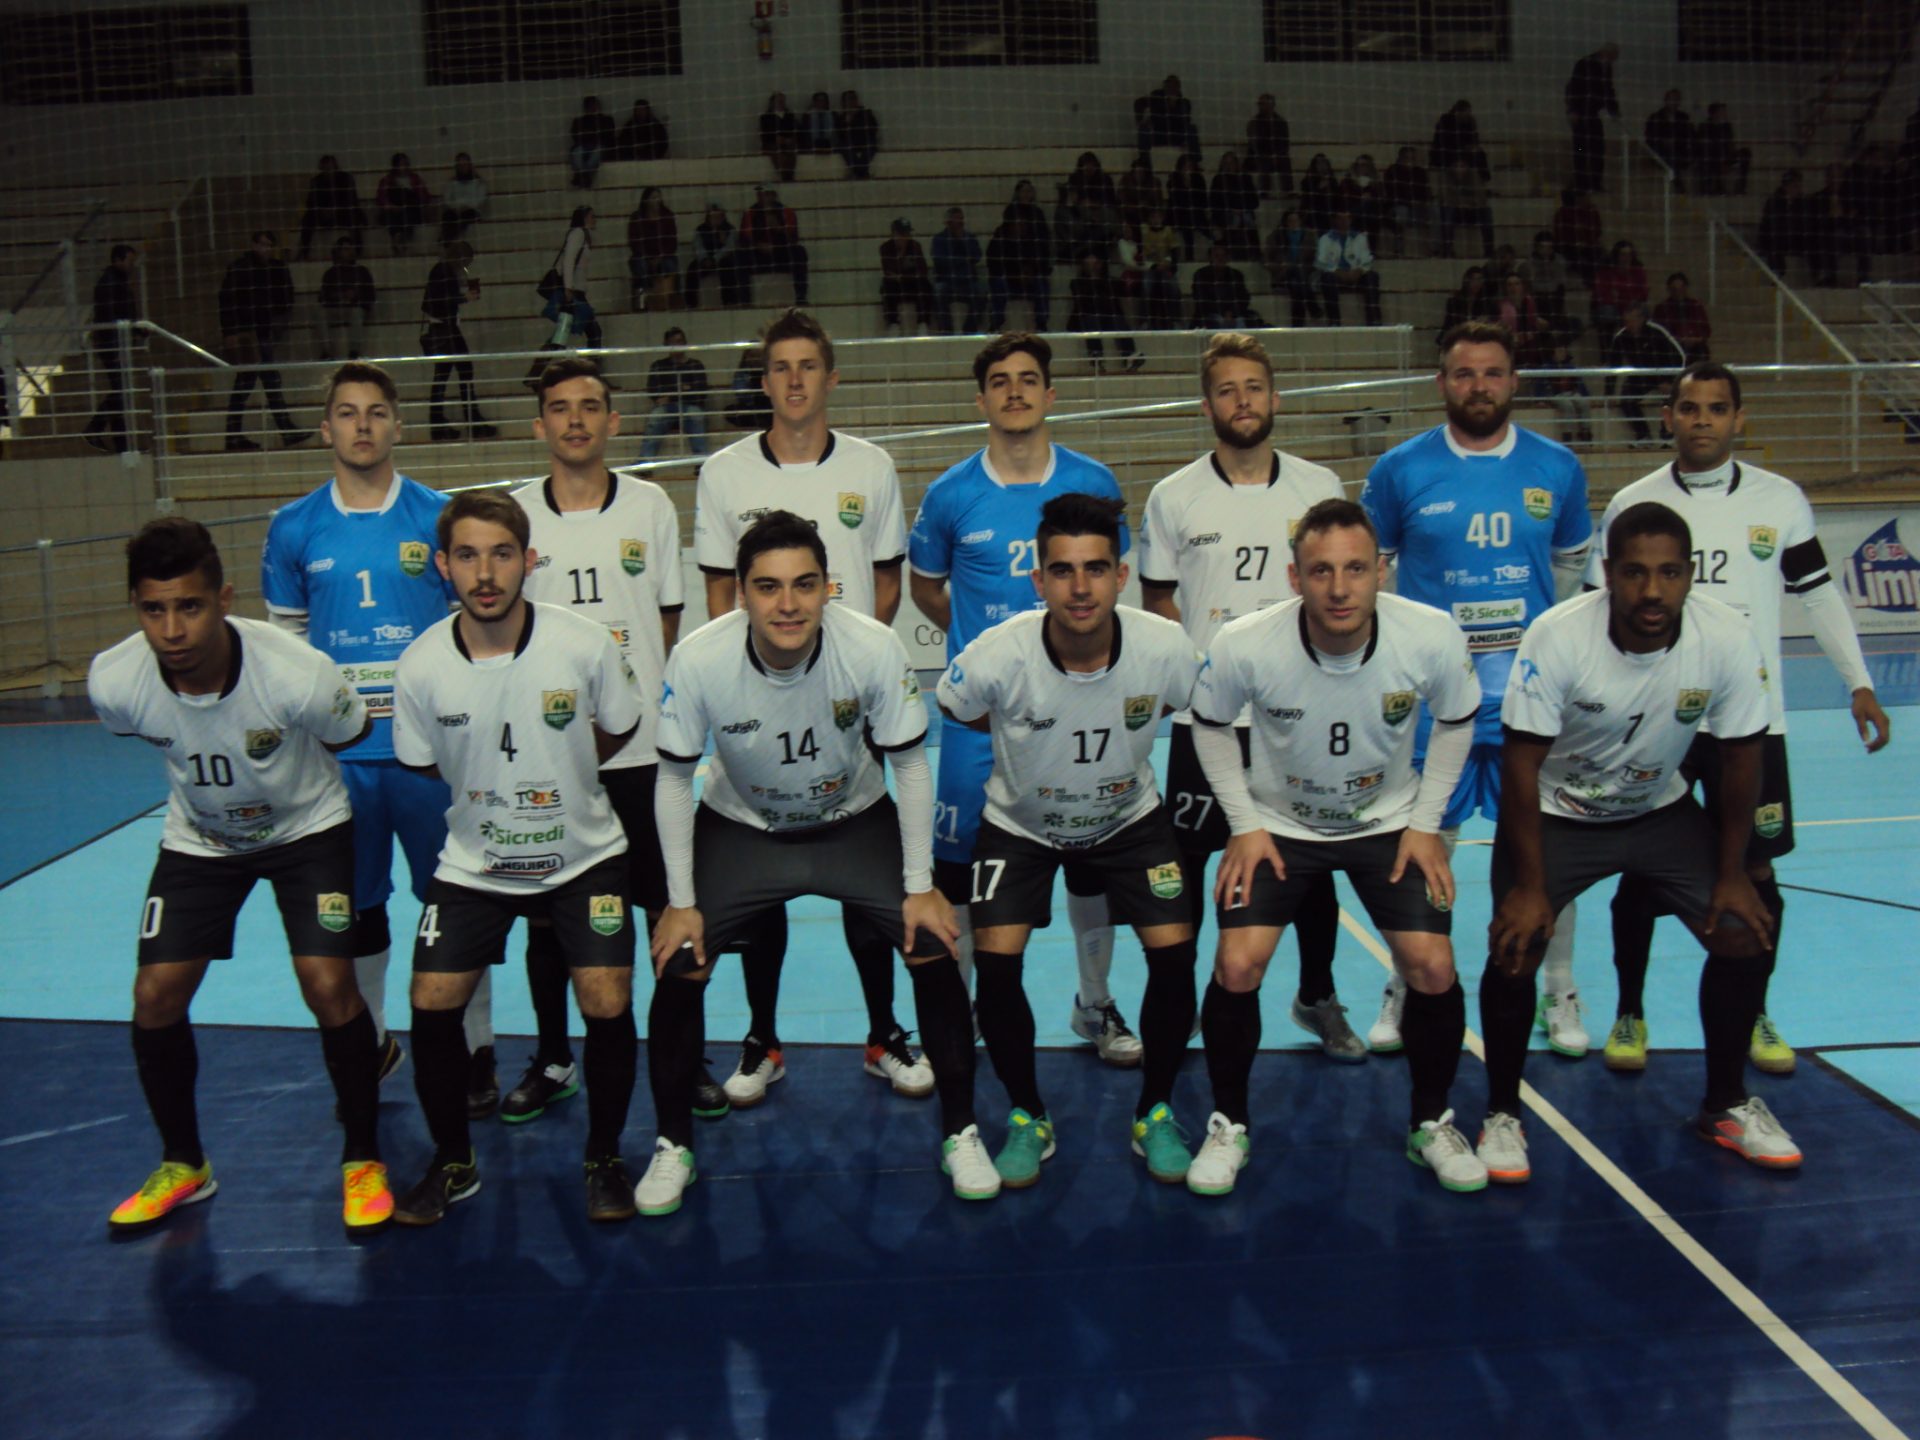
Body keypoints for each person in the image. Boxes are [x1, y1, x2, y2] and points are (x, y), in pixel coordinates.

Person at [646, 512, 978, 1209]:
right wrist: (680, 902)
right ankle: (672, 1144)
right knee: (679, 960)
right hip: (742, 827)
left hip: (851, 821)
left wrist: (920, 886)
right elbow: (674, 780)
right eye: (767, 587)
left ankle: (961, 1132)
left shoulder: (872, 647)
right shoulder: (700, 658)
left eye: (804, 584)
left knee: (933, 942)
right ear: (740, 593)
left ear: (830, 587)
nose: (788, 604)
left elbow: (910, 764)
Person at [1590, 364, 1891, 1075]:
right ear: (1667, 416)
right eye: (1689, 407)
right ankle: (1629, 1012)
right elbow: (1599, 608)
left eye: (1717, 408)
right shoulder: (1634, 504)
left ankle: (1753, 1007)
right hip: (1659, 723)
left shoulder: (1780, 501)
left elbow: (1818, 596)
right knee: (1640, 866)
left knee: (1756, 869)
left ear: (1738, 419)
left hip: (1752, 723)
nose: (1703, 419)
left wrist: (1859, 682)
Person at [92, 517, 385, 1234]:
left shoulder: (297, 674)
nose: (172, 630)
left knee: (328, 985)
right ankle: (184, 1164)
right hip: (201, 839)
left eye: (189, 607)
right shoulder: (115, 682)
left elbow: (351, 734)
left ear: (223, 599)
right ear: (135, 607)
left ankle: (363, 1158)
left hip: (307, 830)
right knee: (155, 995)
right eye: (153, 609)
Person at [1487, 500, 1791, 1178]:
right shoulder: (1558, 636)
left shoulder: (1725, 636)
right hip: (1558, 812)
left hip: (1658, 811)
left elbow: (1743, 757)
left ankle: (1725, 1104)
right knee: (1514, 944)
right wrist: (1530, 888)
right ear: (1608, 572)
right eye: (1634, 573)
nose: (1652, 590)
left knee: (1743, 931)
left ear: (1690, 575)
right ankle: (1502, 1114)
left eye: (1669, 573)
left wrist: (1733, 872)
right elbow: (1520, 764)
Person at [1188, 498, 1482, 1194]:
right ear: (1295, 577)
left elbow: (1457, 719)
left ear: (1382, 571)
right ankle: (1228, 1124)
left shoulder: (1429, 635)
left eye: (1356, 568)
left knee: (1431, 966)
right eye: (1321, 571)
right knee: (1237, 965)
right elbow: (1208, 724)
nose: (1340, 588)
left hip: (1388, 823)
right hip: (1280, 826)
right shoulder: (1246, 643)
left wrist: (1426, 823)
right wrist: (1244, 824)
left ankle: (1431, 1121)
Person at [389, 489, 645, 1224]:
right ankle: (453, 1161)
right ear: (443, 566)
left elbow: (619, 727)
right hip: (474, 863)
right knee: (430, 1003)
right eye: (467, 556)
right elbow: (424, 761)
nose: (485, 573)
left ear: (529, 560)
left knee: (607, 999)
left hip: (584, 856)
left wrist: (563, 775)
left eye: (501, 554)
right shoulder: (420, 665)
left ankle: (604, 1158)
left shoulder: (584, 643)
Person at [693, 309, 926, 1107]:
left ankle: (884, 1031)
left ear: (832, 377)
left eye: (808, 365)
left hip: (847, 705)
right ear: (763, 381)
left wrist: (846, 671)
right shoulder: (724, 473)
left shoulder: (872, 466)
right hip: (758, 700)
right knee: (762, 872)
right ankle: (762, 1037)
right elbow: (720, 592)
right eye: (780, 367)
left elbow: (887, 581)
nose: (794, 380)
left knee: (865, 870)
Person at [936, 493, 1203, 1186]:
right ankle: (1028, 1114)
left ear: (1122, 574)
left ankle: (1155, 1110)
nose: (1080, 588)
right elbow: (958, 710)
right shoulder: (997, 655)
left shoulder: (1165, 647)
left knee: (1175, 957)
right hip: (1020, 823)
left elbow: (1186, 706)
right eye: (1062, 570)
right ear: (1038, 579)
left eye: (1095, 569)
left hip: (1129, 818)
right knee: (997, 968)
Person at [262, 362, 498, 1114]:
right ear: (325, 427)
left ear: (397, 424)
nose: (361, 425)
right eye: (347, 412)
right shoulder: (294, 526)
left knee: (456, 903)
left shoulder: (438, 518)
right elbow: (285, 651)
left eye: (374, 412)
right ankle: (370, 1046)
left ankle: (477, 1049)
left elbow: (472, 632)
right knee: (357, 911)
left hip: (429, 758)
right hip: (339, 764)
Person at [1359, 321, 1593, 1057]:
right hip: (1437, 705)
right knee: (1422, 848)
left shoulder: (1557, 466)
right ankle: (1404, 983)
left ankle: (1560, 988)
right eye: (1464, 374)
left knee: (1545, 858)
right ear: (1441, 383)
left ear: (1513, 381)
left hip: (1530, 702)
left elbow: (1569, 569)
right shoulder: (1399, 470)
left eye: (1492, 373)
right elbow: (1374, 575)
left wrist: (1533, 646)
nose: (1479, 386)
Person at [908, 333, 1138, 1067]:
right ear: (981, 399)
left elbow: (1111, 579)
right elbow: (926, 587)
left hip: (1079, 709)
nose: (1015, 391)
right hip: (980, 722)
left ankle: (1094, 1002)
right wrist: (982, 645)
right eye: (1001, 381)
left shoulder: (1092, 480)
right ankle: (964, 1015)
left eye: (1029, 379)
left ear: (1050, 394)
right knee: (959, 867)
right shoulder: (950, 494)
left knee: (1089, 857)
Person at [505, 357, 719, 1125]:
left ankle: (685, 1059)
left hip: (643, 758)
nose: (576, 420)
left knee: (670, 911)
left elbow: (666, 623)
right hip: (553, 761)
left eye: (590, 406)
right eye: (560, 407)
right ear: (540, 424)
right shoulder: (515, 514)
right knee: (546, 921)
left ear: (613, 421)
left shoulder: (651, 505)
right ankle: (553, 1056)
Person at [1139, 334, 1352, 1060]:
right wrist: (1202, 678)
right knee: (1192, 861)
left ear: (1275, 397)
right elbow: (1159, 602)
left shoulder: (1318, 486)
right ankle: (1191, 998)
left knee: (1312, 860)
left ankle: (1316, 994)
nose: (1242, 401)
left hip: (1301, 716)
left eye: (1254, 387)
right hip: (1211, 720)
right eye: (1227, 390)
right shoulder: (1173, 496)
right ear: (1207, 405)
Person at [218, 231, 306, 452]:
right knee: (258, 381)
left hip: (262, 332)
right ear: (253, 244)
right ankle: (283, 429)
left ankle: (237, 435)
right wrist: (231, 332)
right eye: (262, 244)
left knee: (254, 382)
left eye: (269, 245)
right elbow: (227, 301)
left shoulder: (273, 268)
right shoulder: (241, 268)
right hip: (248, 334)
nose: (265, 249)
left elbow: (285, 297)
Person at [422, 241, 496, 442]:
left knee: (445, 376)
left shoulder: (441, 269)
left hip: (442, 327)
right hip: (446, 329)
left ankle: (440, 423)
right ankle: (471, 421)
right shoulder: (443, 270)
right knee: (462, 372)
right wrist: (465, 297)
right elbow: (443, 299)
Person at [82, 243, 140, 452]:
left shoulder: (113, 281)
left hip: (114, 342)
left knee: (120, 392)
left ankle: (119, 441)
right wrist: (132, 329)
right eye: (129, 261)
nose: (132, 265)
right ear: (118, 260)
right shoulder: (111, 282)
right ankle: (98, 429)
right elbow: (113, 314)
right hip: (113, 344)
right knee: (121, 391)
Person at [1607, 304, 1687, 445]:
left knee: (1671, 396)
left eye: (1632, 320)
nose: (1629, 324)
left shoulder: (1657, 332)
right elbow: (1613, 366)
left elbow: (1679, 356)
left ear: (1641, 319)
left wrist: (1667, 379)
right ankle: (1643, 436)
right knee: (1626, 399)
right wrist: (1609, 393)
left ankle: (1667, 435)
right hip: (1640, 376)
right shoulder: (1621, 337)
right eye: (1626, 321)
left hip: (1664, 373)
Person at [539, 207, 603, 351]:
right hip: (573, 292)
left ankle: (544, 360)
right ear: (584, 218)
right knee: (593, 331)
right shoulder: (578, 234)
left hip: (576, 291)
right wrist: (568, 287)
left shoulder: (584, 235)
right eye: (592, 216)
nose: (595, 220)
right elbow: (568, 260)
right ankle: (592, 363)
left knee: (562, 333)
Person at [641, 328, 710, 459]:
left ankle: (701, 461)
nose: (677, 345)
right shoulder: (658, 366)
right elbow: (653, 390)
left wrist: (670, 395)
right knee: (655, 417)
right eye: (672, 342)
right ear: (666, 344)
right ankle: (645, 461)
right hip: (667, 408)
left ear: (685, 343)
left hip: (689, 407)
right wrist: (683, 389)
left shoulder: (695, 365)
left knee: (696, 416)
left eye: (679, 341)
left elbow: (701, 393)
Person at [1068, 250, 1138, 373]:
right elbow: (1084, 302)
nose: (1093, 265)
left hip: (1108, 317)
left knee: (1118, 320)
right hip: (1088, 318)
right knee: (1092, 320)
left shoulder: (1111, 282)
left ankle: (1130, 357)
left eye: (1095, 262)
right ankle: (1096, 358)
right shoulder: (1077, 283)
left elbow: (1120, 295)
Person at [738, 187, 810, 306]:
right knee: (740, 256)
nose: (764, 198)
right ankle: (745, 301)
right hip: (759, 254)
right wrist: (758, 245)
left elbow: (793, 238)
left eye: (767, 194)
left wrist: (779, 229)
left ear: (774, 196)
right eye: (761, 194)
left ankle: (801, 296)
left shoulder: (787, 212)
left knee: (799, 252)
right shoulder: (750, 213)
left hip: (781, 253)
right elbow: (743, 240)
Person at [1566, 43, 1620, 195]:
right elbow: (1574, 87)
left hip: (1593, 113)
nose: (1612, 60)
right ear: (1605, 53)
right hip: (1580, 113)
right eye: (1612, 57)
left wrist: (1614, 109)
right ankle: (1580, 183)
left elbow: (1608, 90)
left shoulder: (1607, 68)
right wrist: (1573, 110)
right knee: (1580, 149)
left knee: (1597, 149)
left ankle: (1596, 183)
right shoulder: (1584, 64)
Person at [1315, 209, 1383, 327]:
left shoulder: (1360, 238)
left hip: (1356, 274)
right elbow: (1320, 262)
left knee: (1372, 277)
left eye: (1346, 218)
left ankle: (1374, 320)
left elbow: (1367, 260)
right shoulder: (1325, 239)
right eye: (1340, 218)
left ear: (1351, 220)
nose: (1344, 221)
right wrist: (1337, 271)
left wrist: (1358, 271)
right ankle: (1334, 321)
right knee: (1327, 279)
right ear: (1335, 220)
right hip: (1335, 276)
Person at [296, 155, 366, 261]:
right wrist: (321, 210)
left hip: (343, 213)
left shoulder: (346, 178)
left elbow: (351, 199)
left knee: (354, 217)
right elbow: (310, 202)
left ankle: (358, 251)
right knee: (307, 219)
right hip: (323, 215)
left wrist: (335, 209)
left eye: (330, 167)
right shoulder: (316, 181)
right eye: (326, 168)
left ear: (335, 166)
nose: (328, 170)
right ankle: (304, 251)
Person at [986, 216, 1050, 331]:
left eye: (1024, 224)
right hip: (1008, 282)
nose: (1022, 227)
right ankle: (996, 323)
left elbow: (1043, 263)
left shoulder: (1032, 240)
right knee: (998, 282)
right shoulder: (999, 241)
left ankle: (1041, 324)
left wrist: (1030, 272)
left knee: (1041, 282)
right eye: (1019, 224)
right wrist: (1015, 275)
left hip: (1028, 282)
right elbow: (993, 265)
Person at [318, 239, 375, 363]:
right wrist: (339, 297)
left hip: (355, 307)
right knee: (320, 314)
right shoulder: (331, 273)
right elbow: (322, 296)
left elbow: (370, 294)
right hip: (335, 308)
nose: (349, 252)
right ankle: (326, 352)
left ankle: (354, 352)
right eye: (345, 249)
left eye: (350, 248)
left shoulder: (362, 271)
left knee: (356, 313)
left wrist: (355, 297)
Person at [931, 207, 986, 334]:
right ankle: (947, 331)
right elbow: (940, 260)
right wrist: (963, 260)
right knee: (938, 293)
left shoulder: (969, 238)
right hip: (947, 281)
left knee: (981, 293)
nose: (960, 222)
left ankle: (969, 329)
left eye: (961, 218)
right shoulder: (939, 239)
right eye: (956, 219)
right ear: (949, 221)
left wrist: (963, 242)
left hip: (967, 282)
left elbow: (977, 256)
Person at [878, 218, 935, 334]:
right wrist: (902, 256)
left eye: (907, 233)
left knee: (925, 285)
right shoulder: (886, 248)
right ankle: (893, 324)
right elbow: (888, 271)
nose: (905, 237)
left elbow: (922, 270)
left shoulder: (915, 246)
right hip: (896, 286)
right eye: (902, 233)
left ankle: (923, 323)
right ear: (894, 233)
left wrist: (901, 276)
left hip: (912, 285)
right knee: (886, 286)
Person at [626, 186, 678, 312]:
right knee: (640, 266)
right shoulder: (637, 217)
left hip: (663, 256)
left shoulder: (667, 215)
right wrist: (648, 258)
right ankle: (642, 304)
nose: (657, 200)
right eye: (653, 197)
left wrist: (660, 257)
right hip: (643, 255)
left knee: (670, 265)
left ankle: (667, 301)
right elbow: (634, 242)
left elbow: (672, 242)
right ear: (646, 200)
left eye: (658, 197)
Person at [686, 202, 747, 308]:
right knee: (692, 269)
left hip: (722, 260)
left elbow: (729, 247)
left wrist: (714, 259)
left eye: (718, 215)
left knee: (728, 267)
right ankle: (691, 304)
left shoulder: (730, 229)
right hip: (705, 261)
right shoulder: (701, 230)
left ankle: (729, 302)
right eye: (713, 216)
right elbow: (697, 246)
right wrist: (704, 259)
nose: (716, 218)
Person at [1189, 243, 1264, 329]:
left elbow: (1243, 298)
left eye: (1223, 256)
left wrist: (1231, 313)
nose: (1220, 259)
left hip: (1234, 315)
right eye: (1216, 256)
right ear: (1210, 258)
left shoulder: (1236, 275)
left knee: (1251, 319)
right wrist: (1223, 313)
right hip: (1209, 315)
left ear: (1227, 258)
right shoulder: (1201, 275)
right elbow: (1201, 300)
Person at [1591, 238, 1648, 351]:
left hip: (1630, 308)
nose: (1626, 258)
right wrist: (1624, 299)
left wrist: (1621, 297)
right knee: (1607, 312)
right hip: (1612, 308)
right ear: (1616, 256)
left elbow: (1643, 294)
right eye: (1623, 254)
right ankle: (1607, 352)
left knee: (1643, 312)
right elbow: (1602, 295)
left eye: (1629, 255)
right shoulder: (1605, 271)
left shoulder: (1638, 271)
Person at [1264, 210, 1319, 327]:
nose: (1293, 223)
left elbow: (1315, 259)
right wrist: (1279, 266)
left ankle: (1297, 324)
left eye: (1296, 220)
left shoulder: (1309, 236)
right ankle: (1313, 308)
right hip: (1283, 274)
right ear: (1285, 222)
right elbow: (1266, 260)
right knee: (1294, 272)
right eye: (1290, 221)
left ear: (1300, 221)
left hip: (1303, 275)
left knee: (1296, 286)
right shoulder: (1276, 236)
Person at [1517, 231, 1573, 338]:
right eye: (1543, 247)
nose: (1546, 251)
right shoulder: (1528, 264)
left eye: (1549, 247)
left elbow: (1559, 283)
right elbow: (1529, 285)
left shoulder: (1559, 261)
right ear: (1536, 247)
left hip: (1553, 299)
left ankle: (1554, 327)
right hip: (1536, 299)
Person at [1435, 160, 1493, 260]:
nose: (1459, 169)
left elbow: (1481, 197)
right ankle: (1447, 250)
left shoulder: (1474, 175)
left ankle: (1489, 251)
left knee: (1486, 212)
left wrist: (1466, 203)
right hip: (1455, 212)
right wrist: (1462, 203)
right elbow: (1444, 197)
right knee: (1447, 211)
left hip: (1471, 210)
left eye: (1462, 166)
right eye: (1456, 166)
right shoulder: (1445, 176)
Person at [374, 154, 431, 255]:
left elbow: (425, 197)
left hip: (410, 209)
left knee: (408, 214)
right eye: (401, 164)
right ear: (395, 166)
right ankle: (398, 238)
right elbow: (381, 199)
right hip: (392, 209)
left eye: (406, 164)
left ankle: (401, 239)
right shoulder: (387, 180)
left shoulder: (415, 179)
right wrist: (391, 206)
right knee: (392, 216)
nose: (404, 167)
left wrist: (414, 203)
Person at [1135, 74, 1200, 161]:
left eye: (1175, 86)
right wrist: (1140, 120)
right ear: (1165, 86)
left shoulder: (1184, 103)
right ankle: (1144, 161)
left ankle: (1195, 160)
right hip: (1158, 135)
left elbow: (1185, 122)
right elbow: (1138, 103)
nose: (1172, 89)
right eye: (1169, 86)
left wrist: (1173, 107)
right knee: (1144, 129)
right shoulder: (1156, 97)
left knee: (1192, 128)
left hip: (1176, 136)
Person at [1382, 146, 1433, 257]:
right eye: (1407, 158)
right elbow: (1392, 193)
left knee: (1435, 211)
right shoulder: (1392, 171)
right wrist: (1410, 202)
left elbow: (1425, 192)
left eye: (1412, 158)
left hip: (1418, 206)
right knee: (1402, 212)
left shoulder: (1420, 172)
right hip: (1398, 206)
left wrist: (1421, 201)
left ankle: (1435, 249)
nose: (1410, 160)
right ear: (1400, 158)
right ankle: (1399, 249)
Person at [1210, 152, 1260, 259]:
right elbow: (1214, 201)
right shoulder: (1218, 180)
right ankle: (1233, 255)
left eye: (1231, 163)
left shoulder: (1245, 178)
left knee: (1247, 221)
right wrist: (1231, 209)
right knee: (1235, 222)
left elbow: (1254, 201)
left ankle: (1255, 255)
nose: (1229, 166)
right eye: (1226, 163)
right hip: (1225, 213)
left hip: (1244, 211)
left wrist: (1242, 209)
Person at [1695, 103, 1751, 197]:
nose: (1725, 114)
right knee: (1709, 152)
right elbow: (1702, 145)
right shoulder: (1704, 126)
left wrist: (1730, 155)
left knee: (1745, 153)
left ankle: (1740, 188)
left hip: (1726, 157)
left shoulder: (1727, 126)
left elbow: (1729, 143)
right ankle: (1715, 187)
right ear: (1714, 113)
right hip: (1711, 158)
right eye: (1722, 112)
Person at [1652, 271, 1711, 362]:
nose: (1678, 292)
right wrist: (1678, 340)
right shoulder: (1662, 308)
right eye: (1674, 289)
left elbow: (1705, 330)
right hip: (1672, 347)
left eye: (1681, 288)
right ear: (1669, 289)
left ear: (1686, 288)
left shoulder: (1696, 306)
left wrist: (1695, 339)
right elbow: (1659, 331)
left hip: (1695, 346)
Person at [1551, 188, 1603, 285]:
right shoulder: (1562, 213)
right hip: (1568, 247)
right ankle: (1591, 284)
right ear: (1578, 199)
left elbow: (1597, 231)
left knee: (1600, 257)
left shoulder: (1592, 212)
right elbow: (1560, 235)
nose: (1589, 200)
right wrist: (1575, 243)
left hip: (1589, 246)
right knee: (1581, 261)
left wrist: (1586, 242)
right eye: (1586, 197)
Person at [1644, 90, 1694, 189]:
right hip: (1661, 151)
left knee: (1677, 153)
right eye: (1671, 98)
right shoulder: (1655, 117)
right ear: (1665, 100)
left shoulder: (1684, 117)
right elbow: (1649, 137)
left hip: (1680, 149)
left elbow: (1690, 135)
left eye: (1676, 99)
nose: (1673, 102)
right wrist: (1663, 141)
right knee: (1670, 154)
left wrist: (1676, 141)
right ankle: (1677, 180)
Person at [1246, 94, 1293, 198]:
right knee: (1264, 161)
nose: (1262, 106)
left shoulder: (1280, 122)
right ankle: (1264, 190)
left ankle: (1288, 190)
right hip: (1260, 154)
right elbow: (1254, 144)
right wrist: (1268, 155)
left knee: (1285, 160)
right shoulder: (1254, 123)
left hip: (1278, 154)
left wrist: (1277, 154)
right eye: (1261, 104)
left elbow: (1285, 142)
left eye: (1265, 104)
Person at [1336, 154, 1386, 252]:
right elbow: (1344, 200)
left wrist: (1371, 197)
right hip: (1353, 210)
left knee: (1371, 215)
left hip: (1371, 213)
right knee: (1364, 215)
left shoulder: (1376, 183)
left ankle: (1369, 251)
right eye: (1359, 165)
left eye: (1365, 165)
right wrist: (1360, 198)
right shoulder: (1347, 181)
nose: (1362, 168)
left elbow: (1381, 199)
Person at [1166, 153, 1210, 262]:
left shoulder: (1199, 179)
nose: (1188, 169)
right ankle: (1189, 257)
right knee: (1187, 223)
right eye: (1185, 166)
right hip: (1180, 214)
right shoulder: (1173, 180)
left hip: (1196, 212)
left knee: (1198, 223)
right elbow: (1176, 201)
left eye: (1190, 166)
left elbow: (1202, 199)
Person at [1430, 100, 1489, 180]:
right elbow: (1443, 141)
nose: (1468, 114)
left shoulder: (1470, 122)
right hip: (1446, 152)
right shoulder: (1446, 120)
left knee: (1480, 154)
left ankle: (1484, 179)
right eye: (1466, 112)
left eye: (1469, 112)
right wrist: (1465, 147)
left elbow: (1474, 139)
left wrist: (1474, 147)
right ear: (1458, 112)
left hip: (1463, 152)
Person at [1498, 273, 1548, 368]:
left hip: (1533, 350)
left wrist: (1542, 325)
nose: (1513, 288)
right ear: (1505, 288)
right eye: (1509, 284)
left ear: (1523, 286)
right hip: (1511, 352)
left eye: (1517, 284)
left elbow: (1540, 325)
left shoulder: (1532, 303)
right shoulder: (1501, 307)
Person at [439, 153, 488, 244]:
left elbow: (480, 200)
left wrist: (466, 206)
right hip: (454, 210)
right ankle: (448, 239)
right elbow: (447, 200)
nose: (463, 167)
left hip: (472, 211)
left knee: (466, 216)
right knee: (447, 216)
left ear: (470, 165)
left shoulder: (479, 183)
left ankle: (448, 240)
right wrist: (456, 207)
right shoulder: (451, 183)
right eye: (460, 165)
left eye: (465, 164)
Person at [569, 95, 615, 188]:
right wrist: (594, 134)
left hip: (600, 146)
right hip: (583, 146)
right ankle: (585, 177)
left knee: (597, 152)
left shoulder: (607, 120)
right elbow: (576, 136)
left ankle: (580, 176)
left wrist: (589, 134)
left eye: (595, 105)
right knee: (577, 152)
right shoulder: (578, 121)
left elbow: (608, 135)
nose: (593, 108)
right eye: (590, 106)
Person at [1438, 266, 1496, 340]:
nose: (1476, 283)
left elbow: (1493, 321)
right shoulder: (1455, 301)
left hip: (1477, 338)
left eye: (1479, 279)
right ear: (1467, 281)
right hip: (1458, 337)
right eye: (1473, 279)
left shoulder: (1486, 302)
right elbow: (1449, 324)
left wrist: (1487, 320)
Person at [835, 90, 880, 178]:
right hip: (850, 143)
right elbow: (840, 133)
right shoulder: (841, 117)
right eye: (848, 99)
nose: (851, 102)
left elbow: (873, 128)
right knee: (842, 146)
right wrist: (848, 121)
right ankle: (862, 173)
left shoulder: (866, 113)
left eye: (853, 99)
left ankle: (857, 172)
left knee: (871, 145)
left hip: (865, 141)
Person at [760, 92, 800, 183]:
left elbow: (794, 130)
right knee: (777, 152)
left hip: (788, 142)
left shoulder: (790, 116)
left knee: (791, 151)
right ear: (772, 103)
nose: (781, 103)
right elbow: (765, 134)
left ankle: (789, 175)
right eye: (779, 101)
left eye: (783, 101)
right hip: (772, 143)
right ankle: (784, 176)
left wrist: (787, 140)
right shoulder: (765, 117)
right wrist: (776, 139)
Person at [613, 98, 669, 162]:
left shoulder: (655, 125)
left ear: (647, 111)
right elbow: (622, 140)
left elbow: (661, 142)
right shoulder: (630, 124)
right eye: (638, 110)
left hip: (651, 155)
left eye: (642, 110)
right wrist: (635, 145)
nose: (640, 112)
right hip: (633, 155)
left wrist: (645, 145)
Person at [1297, 153, 1338, 235]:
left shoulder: (1332, 181)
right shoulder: (1307, 181)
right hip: (1313, 214)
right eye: (1319, 163)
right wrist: (1319, 188)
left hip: (1329, 214)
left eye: (1324, 163)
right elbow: (1308, 201)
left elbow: (1336, 200)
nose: (1322, 166)